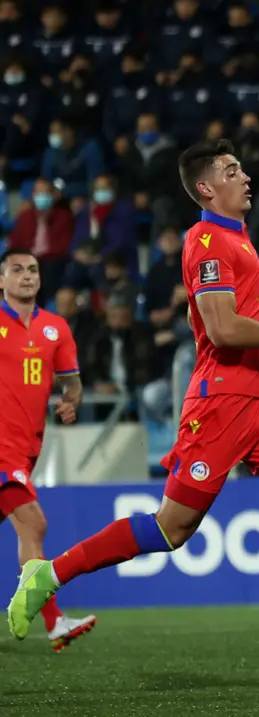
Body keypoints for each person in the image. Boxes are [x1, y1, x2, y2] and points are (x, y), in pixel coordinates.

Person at [7, 139, 259, 674]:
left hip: (258, 400)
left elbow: (230, 328)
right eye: (231, 170)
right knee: (172, 529)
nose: (246, 177)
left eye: (241, 167)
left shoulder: (238, 238)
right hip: (219, 405)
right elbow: (220, 328)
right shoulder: (208, 241)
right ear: (205, 188)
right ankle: (49, 575)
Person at [0, 249, 96, 651]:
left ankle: (53, 620)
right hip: (2, 447)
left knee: (29, 530)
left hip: (27, 448)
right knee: (34, 525)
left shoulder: (56, 328)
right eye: (17, 270)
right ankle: (54, 622)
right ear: (1, 279)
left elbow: (71, 382)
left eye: (33, 270)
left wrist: (71, 400)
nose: (27, 276)